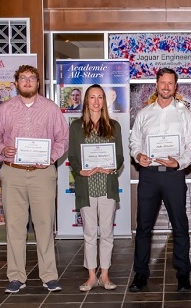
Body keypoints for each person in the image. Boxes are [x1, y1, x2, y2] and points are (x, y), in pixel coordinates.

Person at [0, 65, 69, 294]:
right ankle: (16, 277)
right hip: (13, 172)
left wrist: (50, 158)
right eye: (23, 78)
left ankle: (49, 276)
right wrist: (2, 148)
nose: (27, 81)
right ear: (16, 83)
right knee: (14, 226)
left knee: (44, 225)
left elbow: (62, 139)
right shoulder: (5, 109)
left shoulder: (51, 109)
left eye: (32, 78)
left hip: (42, 173)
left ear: (38, 83)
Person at [128, 68, 191, 293]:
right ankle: (140, 274)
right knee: (143, 227)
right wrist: (138, 155)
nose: (166, 87)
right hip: (148, 175)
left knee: (180, 226)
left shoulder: (184, 114)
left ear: (175, 87)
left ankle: (183, 275)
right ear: (156, 85)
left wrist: (179, 162)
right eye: (163, 83)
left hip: (173, 175)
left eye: (170, 83)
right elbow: (134, 142)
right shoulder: (144, 114)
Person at [68, 84, 124, 292]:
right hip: (87, 187)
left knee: (107, 233)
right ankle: (91, 276)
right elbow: (73, 156)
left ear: (104, 101)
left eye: (100, 97)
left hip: (107, 186)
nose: (96, 101)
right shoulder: (75, 126)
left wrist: (113, 166)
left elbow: (119, 157)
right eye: (92, 97)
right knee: (90, 233)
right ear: (86, 101)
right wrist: (79, 170)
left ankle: (105, 274)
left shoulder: (114, 126)